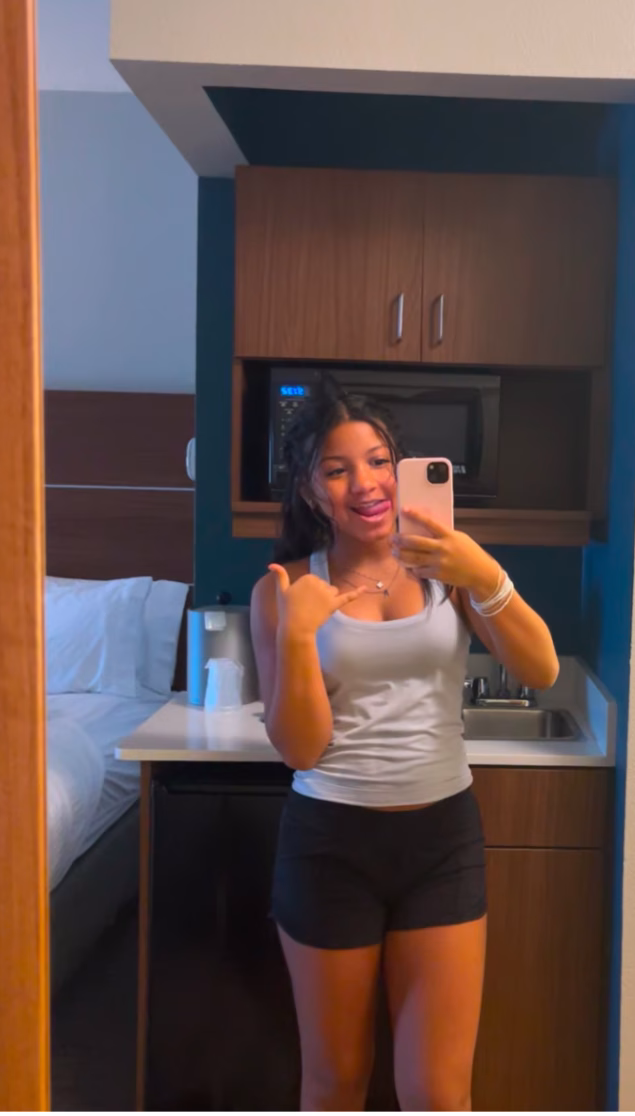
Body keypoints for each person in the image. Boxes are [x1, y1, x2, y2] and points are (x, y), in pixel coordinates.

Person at [250, 380, 558, 1112]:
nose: (365, 483)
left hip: (441, 842)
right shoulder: (286, 591)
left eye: (379, 461)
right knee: (335, 1083)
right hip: (330, 845)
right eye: (337, 469)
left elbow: (541, 669)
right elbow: (300, 750)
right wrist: (297, 636)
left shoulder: (446, 567)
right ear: (310, 489)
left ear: (400, 468)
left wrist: (484, 574)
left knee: (439, 1093)